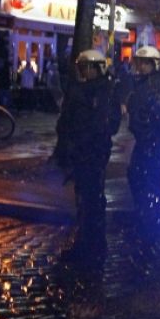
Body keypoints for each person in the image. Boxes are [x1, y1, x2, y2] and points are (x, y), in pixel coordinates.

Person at [55, 49, 121, 264]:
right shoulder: (81, 90)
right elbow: (67, 122)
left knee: (91, 199)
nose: (83, 72)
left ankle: (91, 244)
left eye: (85, 67)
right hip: (82, 152)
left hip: (93, 152)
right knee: (84, 198)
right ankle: (89, 241)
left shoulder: (105, 92)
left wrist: (88, 141)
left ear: (95, 68)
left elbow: (109, 124)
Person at [125, 45, 160, 225]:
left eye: (145, 64)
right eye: (139, 63)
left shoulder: (158, 85)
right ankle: (147, 212)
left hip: (153, 140)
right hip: (147, 139)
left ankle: (151, 216)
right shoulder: (145, 84)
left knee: (149, 177)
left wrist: (148, 131)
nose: (140, 68)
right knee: (139, 175)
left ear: (154, 64)